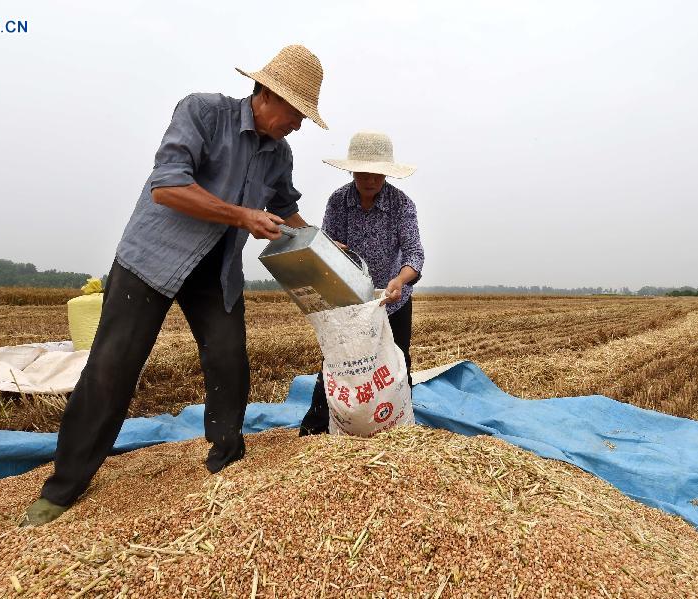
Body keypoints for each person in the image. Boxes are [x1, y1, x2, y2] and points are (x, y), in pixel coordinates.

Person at [24, 45, 328, 526]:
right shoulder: (203, 112)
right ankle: (63, 487)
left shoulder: (279, 153)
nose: (299, 125)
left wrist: (320, 250)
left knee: (229, 358)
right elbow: (166, 187)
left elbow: (287, 208)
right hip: (152, 258)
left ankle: (226, 458)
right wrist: (242, 215)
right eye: (297, 112)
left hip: (216, 268)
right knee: (112, 366)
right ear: (268, 95)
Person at [299, 131, 424, 435]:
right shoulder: (339, 201)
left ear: (386, 173)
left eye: (377, 174)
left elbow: (414, 254)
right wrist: (332, 253)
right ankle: (316, 429)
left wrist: (399, 280)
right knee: (341, 363)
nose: (370, 180)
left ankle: (400, 431)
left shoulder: (401, 205)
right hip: (349, 301)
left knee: (396, 364)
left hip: (393, 300)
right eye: (363, 173)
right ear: (352, 170)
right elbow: (327, 247)